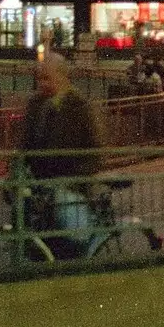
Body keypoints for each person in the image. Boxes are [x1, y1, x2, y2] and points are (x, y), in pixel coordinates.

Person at [19, 51, 105, 256]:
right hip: (41, 188)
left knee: (70, 244)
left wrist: (71, 180)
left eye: (47, 78)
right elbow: (24, 145)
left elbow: (96, 151)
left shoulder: (80, 106)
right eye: (39, 78)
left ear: (62, 77)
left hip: (70, 188)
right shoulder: (35, 104)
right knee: (35, 244)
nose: (42, 84)